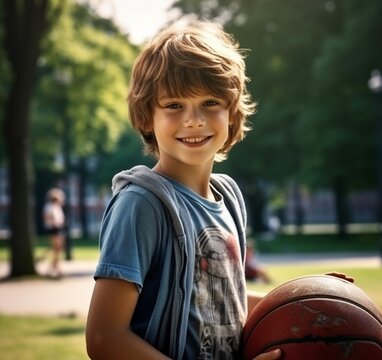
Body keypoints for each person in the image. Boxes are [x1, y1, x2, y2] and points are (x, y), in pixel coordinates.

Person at [86, 19, 281, 360]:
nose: (194, 120)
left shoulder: (230, 199)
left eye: (210, 103)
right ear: (147, 116)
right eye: (174, 105)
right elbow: (104, 338)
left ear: (232, 113)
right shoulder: (141, 204)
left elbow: (222, 303)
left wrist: (312, 297)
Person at [42, 188, 66, 277]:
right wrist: (53, 222)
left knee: (58, 249)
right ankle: (54, 267)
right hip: (54, 229)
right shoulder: (49, 206)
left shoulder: (57, 207)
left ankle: (54, 266)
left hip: (58, 228)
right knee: (56, 248)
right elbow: (47, 217)